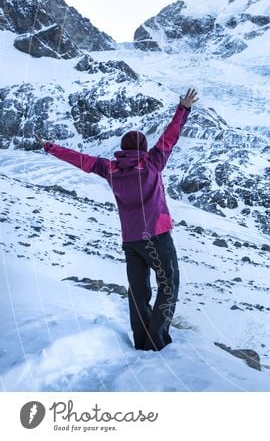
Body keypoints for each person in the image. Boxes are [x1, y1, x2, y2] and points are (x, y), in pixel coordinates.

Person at [36, 88, 199, 351]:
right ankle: (156, 342)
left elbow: (80, 160)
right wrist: (184, 108)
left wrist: (50, 147)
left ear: (122, 149)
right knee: (168, 283)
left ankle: (141, 341)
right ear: (143, 148)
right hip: (157, 237)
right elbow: (170, 138)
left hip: (131, 241)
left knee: (138, 291)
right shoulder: (152, 163)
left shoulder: (109, 168)